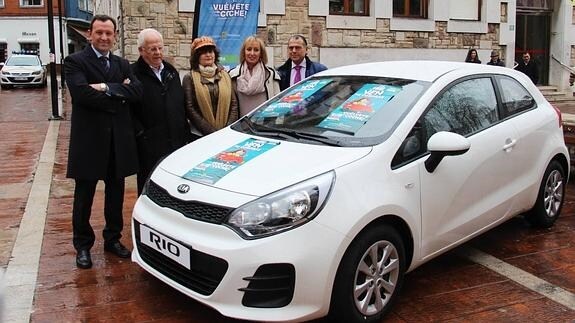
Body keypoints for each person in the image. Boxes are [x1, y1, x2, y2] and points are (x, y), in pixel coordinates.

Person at [64, 15, 142, 269]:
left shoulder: (122, 63)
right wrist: (120, 91)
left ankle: (113, 239)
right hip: (89, 140)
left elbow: (137, 92)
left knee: (115, 194)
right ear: (90, 34)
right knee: (84, 195)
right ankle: (83, 245)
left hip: (117, 141)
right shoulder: (75, 61)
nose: (104, 38)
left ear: (115, 36)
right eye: (99, 33)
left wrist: (106, 88)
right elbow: (81, 94)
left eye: (109, 33)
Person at [131, 28, 192, 195]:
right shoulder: (133, 74)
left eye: (160, 48)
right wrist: (141, 134)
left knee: (173, 185)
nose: (158, 53)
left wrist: (184, 132)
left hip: (175, 141)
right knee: (149, 185)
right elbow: (130, 111)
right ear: (141, 51)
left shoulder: (171, 71)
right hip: (149, 145)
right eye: (152, 49)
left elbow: (179, 104)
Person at [183, 36, 239, 136]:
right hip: (200, 135)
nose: (208, 55)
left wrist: (226, 129)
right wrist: (210, 132)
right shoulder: (189, 78)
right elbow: (190, 108)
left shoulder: (225, 75)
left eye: (211, 51)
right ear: (197, 56)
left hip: (225, 134)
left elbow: (233, 103)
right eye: (204, 52)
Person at [229, 36, 281, 116]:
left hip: (264, 124)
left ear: (261, 53)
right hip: (240, 126)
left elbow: (278, 103)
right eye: (249, 49)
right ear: (244, 52)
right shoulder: (233, 76)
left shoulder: (271, 75)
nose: (252, 53)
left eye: (256, 50)